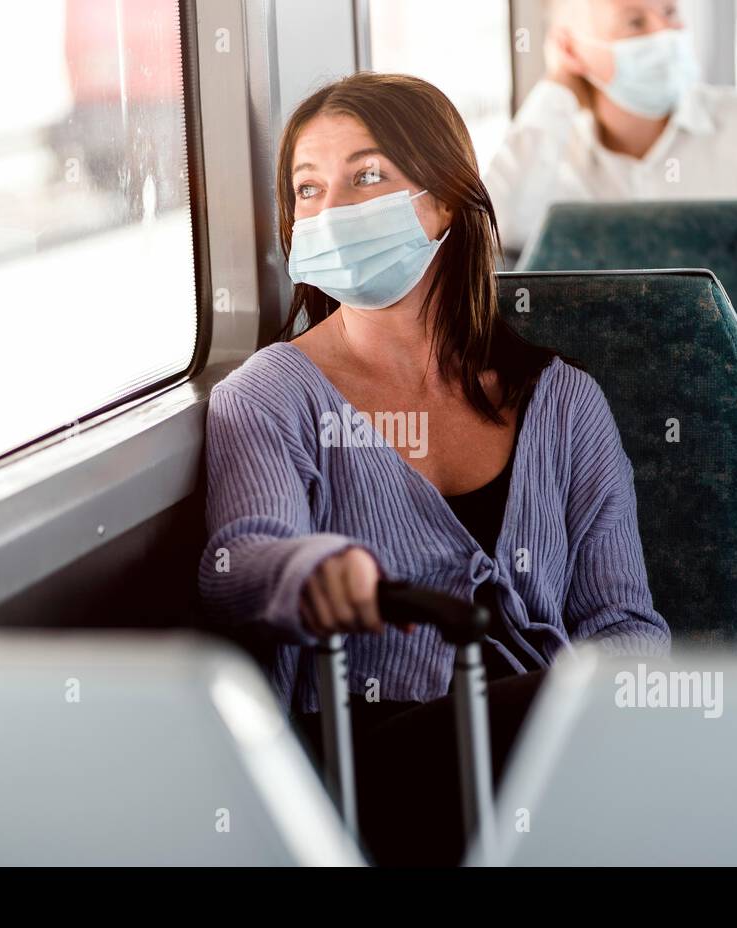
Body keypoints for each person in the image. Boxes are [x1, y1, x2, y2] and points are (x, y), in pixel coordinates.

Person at [199, 71, 669, 865]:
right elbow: (239, 560)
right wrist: (314, 571)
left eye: (367, 176)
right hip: (364, 753)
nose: (332, 210)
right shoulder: (269, 395)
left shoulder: (564, 403)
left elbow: (626, 625)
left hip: (544, 742)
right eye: (307, 190)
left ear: (446, 200)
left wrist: (614, 708)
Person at [486, 0, 737, 296]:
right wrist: (556, 91)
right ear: (571, 48)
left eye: (670, 12)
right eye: (635, 22)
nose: (664, 34)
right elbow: (499, 231)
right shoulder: (548, 157)